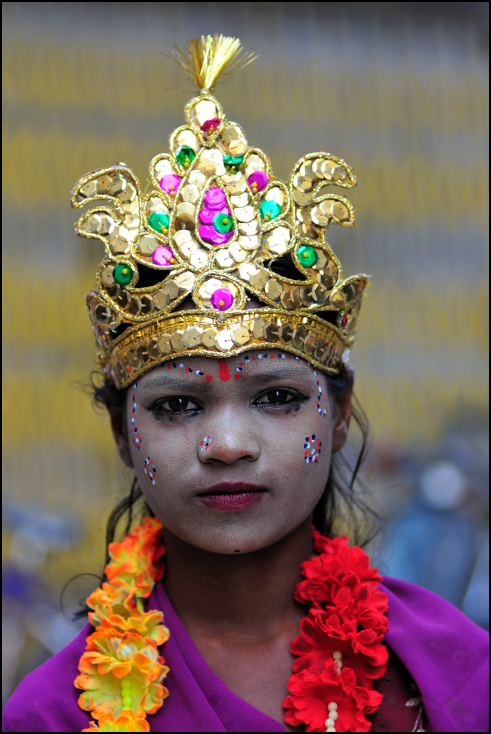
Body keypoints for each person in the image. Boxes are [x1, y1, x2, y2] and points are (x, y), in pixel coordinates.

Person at [3, 35, 488, 733]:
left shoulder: (448, 669)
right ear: (120, 434)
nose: (227, 444)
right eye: (176, 405)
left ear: (339, 413)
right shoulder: (55, 714)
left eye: (277, 397)